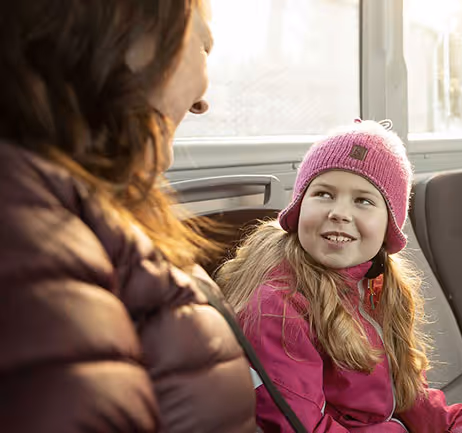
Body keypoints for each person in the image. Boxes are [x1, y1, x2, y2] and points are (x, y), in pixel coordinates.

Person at [0, 1, 255, 431]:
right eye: (204, 47)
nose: (202, 102)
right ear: (135, 39)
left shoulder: (83, 208)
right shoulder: (33, 239)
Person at [216, 120, 462, 432]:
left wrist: (452, 425)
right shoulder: (277, 306)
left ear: (389, 227)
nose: (339, 213)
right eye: (324, 194)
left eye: (363, 200)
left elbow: (405, 389)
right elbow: (301, 427)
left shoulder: (376, 283)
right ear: (299, 207)